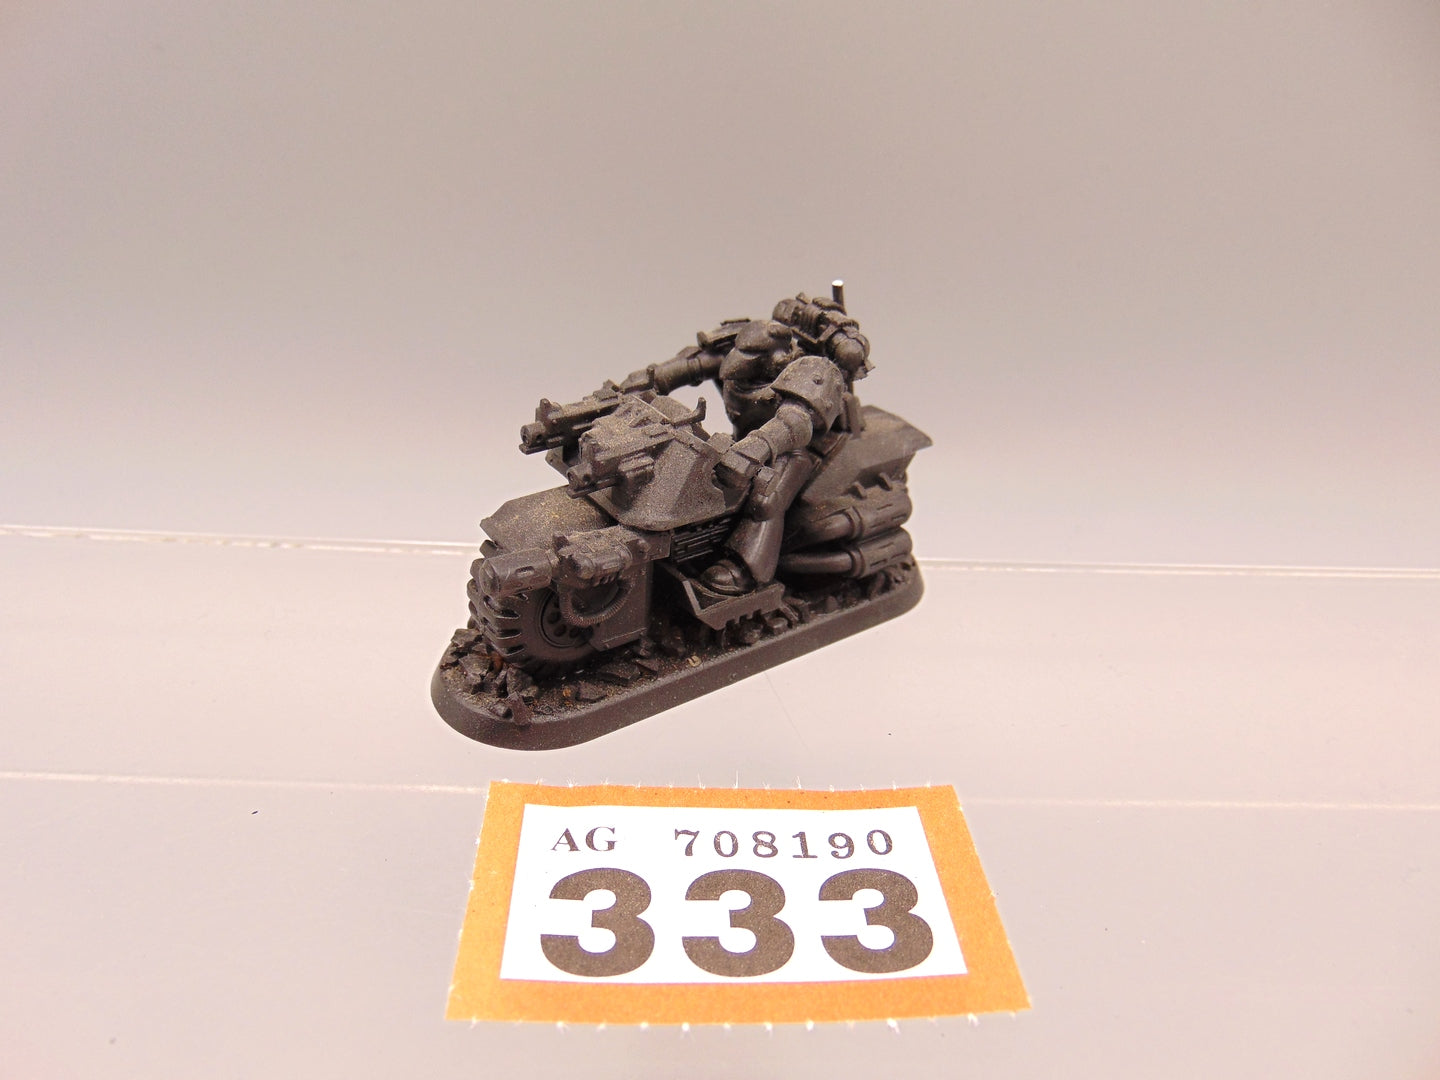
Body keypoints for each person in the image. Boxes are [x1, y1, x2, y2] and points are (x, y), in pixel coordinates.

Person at [619, 292, 872, 595]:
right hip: (751, 440)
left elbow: (795, 421)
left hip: (797, 449)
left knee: (765, 500)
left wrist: (756, 448)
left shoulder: (812, 371)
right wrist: (650, 380)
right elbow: (695, 365)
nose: (737, 363)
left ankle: (748, 570)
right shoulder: (745, 347)